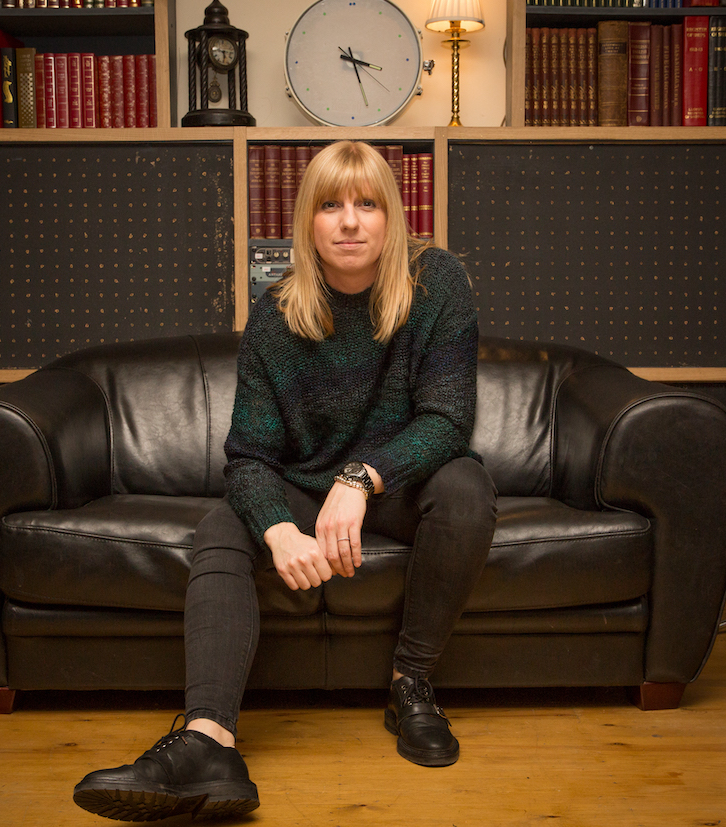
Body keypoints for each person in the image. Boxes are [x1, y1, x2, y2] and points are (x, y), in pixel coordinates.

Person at [72, 140, 498, 822]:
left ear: (392, 217)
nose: (350, 221)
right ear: (307, 222)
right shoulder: (276, 314)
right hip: (305, 486)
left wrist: (361, 478)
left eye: (367, 204)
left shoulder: (436, 283)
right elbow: (248, 456)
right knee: (223, 524)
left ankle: (410, 684)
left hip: (399, 486)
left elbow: (448, 418)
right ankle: (208, 740)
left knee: (467, 488)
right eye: (330, 205)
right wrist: (276, 527)